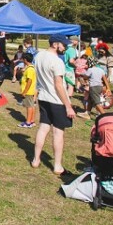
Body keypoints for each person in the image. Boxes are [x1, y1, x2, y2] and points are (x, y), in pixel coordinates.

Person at [31, 34, 75, 176]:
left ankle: (36, 160)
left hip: (43, 97)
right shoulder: (57, 61)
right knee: (58, 132)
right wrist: (68, 106)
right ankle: (57, 166)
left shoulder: (39, 56)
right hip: (57, 100)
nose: (65, 47)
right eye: (64, 45)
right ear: (55, 44)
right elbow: (59, 85)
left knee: (43, 128)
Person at [18, 53, 38, 128]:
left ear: (25, 60)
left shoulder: (30, 69)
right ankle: (32, 121)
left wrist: (25, 92)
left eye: (23, 59)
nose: (22, 60)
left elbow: (29, 81)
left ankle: (28, 122)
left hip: (29, 92)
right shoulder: (30, 68)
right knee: (32, 105)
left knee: (29, 106)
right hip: (31, 91)